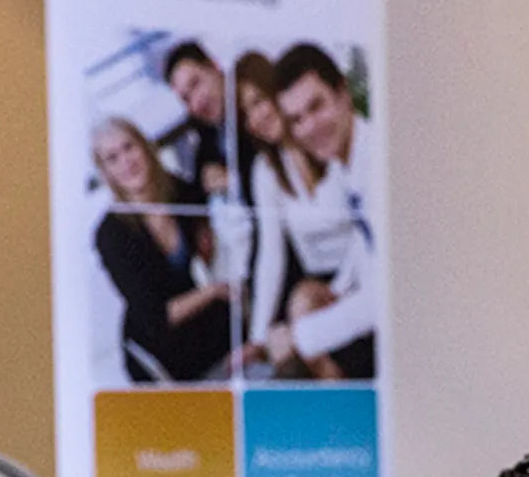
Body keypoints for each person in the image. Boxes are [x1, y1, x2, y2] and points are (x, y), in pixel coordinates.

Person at [89, 117, 236, 384]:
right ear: (106, 173)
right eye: (113, 158)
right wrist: (213, 291)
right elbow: (155, 318)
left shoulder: (177, 189)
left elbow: (210, 202)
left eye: (129, 147)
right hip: (156, 347)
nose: (126, 161)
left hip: (199, 322)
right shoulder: (109, 234)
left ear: (145, 147)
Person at [263, 42, 378, 382]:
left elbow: (391, 293)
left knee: (300, 357)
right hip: (375, 308)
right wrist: (338, 292)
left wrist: (301, 337)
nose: (310, 128)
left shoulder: (377, 162)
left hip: (409, 329)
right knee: (306, 298)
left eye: (316, 107)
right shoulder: (345, 163)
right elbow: (364, 239)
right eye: (297, 120)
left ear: (342, 93)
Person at [231, 50, 317, 361]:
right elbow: (271, 254)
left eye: (258, 101)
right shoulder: (265, 169)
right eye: (246, 113)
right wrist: (256, 337)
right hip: (318, 286)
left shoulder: (321, 137)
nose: (255, 119)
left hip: (348, 281)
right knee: (283, 345)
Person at [161, 40, 253, 201]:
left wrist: (232, 182)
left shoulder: (253, 103)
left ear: (213, 66)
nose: (197, 102)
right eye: (186, 99)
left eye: (195, 84)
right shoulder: (206, 136)